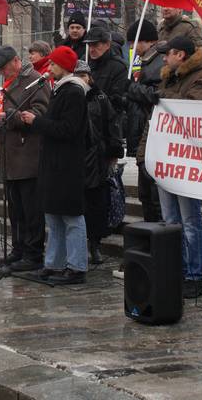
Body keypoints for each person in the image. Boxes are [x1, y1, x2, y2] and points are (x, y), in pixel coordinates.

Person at [146, 36, 202, 298]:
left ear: (182, 55)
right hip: (167, 157)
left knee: (190, 220)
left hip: (189, 159)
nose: (164, 58)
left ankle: (194, 275)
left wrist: (158, 96)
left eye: (169, 53)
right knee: (171, 221)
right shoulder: (170, 78)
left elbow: (194, 109)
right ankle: (177, 269)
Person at [20, 46, 88, 285]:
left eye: (53, 65)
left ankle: (77, 266)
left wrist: (37, 122)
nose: (49, 68)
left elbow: (67, 129)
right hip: (53, 163)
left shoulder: (74, 92)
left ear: (64, 67)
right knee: (54, 217)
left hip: (67, 165)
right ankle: (54, 263)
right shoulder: (59, 90)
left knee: (71, 218)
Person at [0, 45, 50, 271]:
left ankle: (33, 254)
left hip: (27, 155)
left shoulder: (35, 80)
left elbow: (41, 113)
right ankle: (18, 249)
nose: (2, 73)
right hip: (10, 156)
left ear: (15, 62)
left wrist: (13, 118)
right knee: (16, 209)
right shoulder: (9, 83)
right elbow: (4, 110)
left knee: (31, 210)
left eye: (4, 68)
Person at [75, 61, 123, 265]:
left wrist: (114, 151)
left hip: (97, 159)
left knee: (96, 206)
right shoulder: (71, 96)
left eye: (84, 75)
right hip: (77, 158)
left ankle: (95, 245)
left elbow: (112, 125)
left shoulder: (101, 98)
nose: (82, 79)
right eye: (78, 75)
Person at [124, 21, 163, 222]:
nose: (132, 48)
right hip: (143, 134)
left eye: (135, 42)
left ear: (147, 41)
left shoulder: (159, 63)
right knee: (145, 194)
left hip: (154, 135)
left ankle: (159, 239)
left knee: (154, 194)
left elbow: (156, 96)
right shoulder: (147, 62)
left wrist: (130, 88)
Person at [83, 22, 129, 99]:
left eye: (95, 45)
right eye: (89, 45)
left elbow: (118, 99)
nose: (91, 49)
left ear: (107, 44)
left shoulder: (119, 68)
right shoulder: (84, 63)